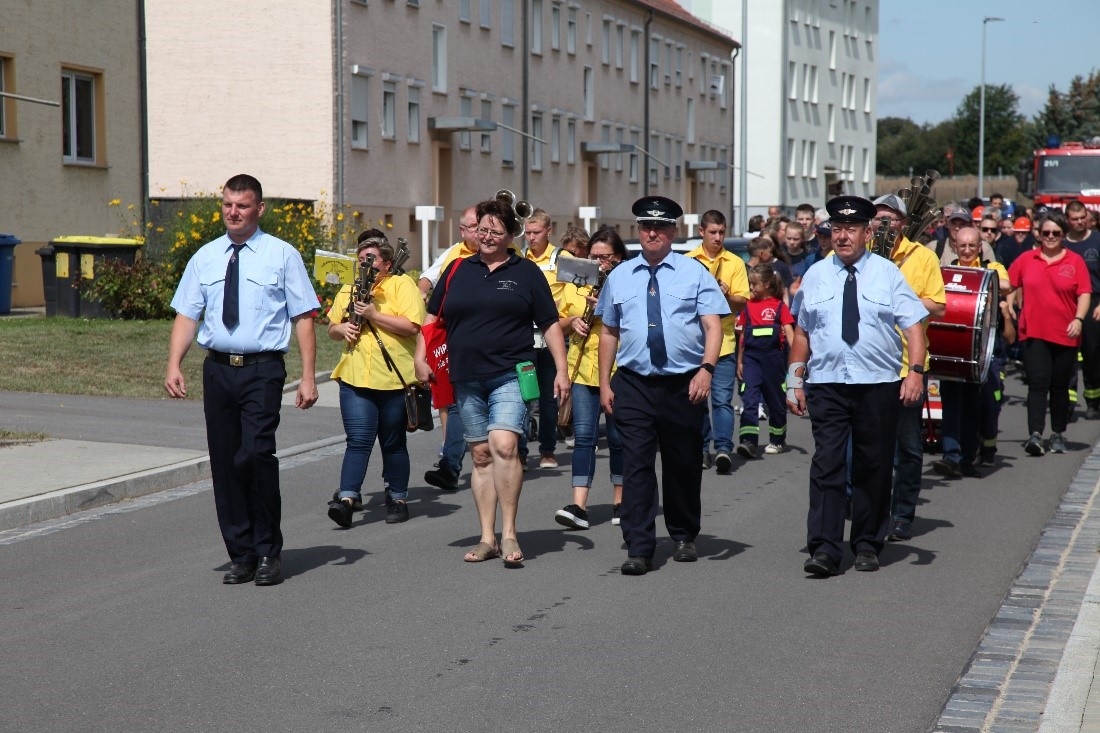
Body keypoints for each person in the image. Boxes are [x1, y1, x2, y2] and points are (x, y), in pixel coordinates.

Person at [165, 174, 319, 587]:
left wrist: (308, 377)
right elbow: (187, 314)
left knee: (255, 455)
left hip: (262, 370)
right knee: (225, 461)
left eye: (243, 205)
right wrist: (173, 363)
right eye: (228, 205)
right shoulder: (206, 257)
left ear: (260, 209)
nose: (233, 212)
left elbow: (303, 316)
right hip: (218, 370)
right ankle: (242, 552)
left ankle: (269, 550)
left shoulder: (282, 255)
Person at [416, 197, 569, 567]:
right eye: (482, 229)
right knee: (481, 455)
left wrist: (562, 371)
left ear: (510, 235)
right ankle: (487, 537)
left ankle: (510, 532)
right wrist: (420, 357)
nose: (486, 236)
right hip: (465, 376)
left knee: (504, 445)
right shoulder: (457, 270)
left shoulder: (526, 272)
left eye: (495, 231)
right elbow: (433, 318)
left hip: (512, 373)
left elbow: (549, 323)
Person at [787, 195, 928, 577]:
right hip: (828, 384)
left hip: (877, 385)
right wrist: (793, 379)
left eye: (851, 229)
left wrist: (915, 372)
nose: (843, 236)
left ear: (867, 232)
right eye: (837, 229)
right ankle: (824, 548)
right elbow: (802, 332)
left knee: (873, 466)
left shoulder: (886, 273)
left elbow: (914, 326)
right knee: (827, 464)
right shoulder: (815, 274)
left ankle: (867, 543)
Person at [597, 195, 727, 576]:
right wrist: (605, 383)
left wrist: (706, 369)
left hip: (683, 383)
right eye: (645, 227)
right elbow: (608, 331)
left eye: (660, 227)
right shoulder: (619, 276)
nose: (652, 233)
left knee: (682, 462)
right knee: (636, 464)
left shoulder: (694, 273)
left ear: (673, 231)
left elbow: (713, 326)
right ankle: (639, 545)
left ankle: (684, 534)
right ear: (639, 231)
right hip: (634, 383)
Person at [325, 232, 425, 528]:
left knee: (393, 442)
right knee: (358, 440)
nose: (365, 265)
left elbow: (412, 326)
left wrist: (373, 314)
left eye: (371, 260)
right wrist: (342, 330)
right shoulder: (350, 288)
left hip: (394, 379)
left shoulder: (400, 285)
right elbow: (332, 327)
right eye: (361, 260)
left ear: (387, 263)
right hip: (356, 376)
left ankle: (397, 498)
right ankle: (346, 499)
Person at [871, 194, 946, 542]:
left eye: (891, 218)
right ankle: (866, 507)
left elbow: (938, 305)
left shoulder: (923, 256)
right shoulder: (858, 252)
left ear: (903, 222)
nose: (883, 224)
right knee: (866, 444)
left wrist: (898, 299)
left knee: (908, 447)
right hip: (867, 366)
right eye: (878, 218)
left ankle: (902, 514)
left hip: (907, 365)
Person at [554, 228, 626, 530]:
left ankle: (622, 501)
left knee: (619, 439)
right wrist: (572, 322)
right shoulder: (576, 283)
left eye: (605, 257)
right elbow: (555, 324)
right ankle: (579, 506)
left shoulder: (629, 281)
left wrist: (607, 308)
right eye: (593, 257)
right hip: (582, 367)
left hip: (619, 369)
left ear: (618, 257)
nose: (599, 263)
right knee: (584, 437)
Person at [1009, 212, 1091, 455]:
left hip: (1066, 333)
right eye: (1046, 233)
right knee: (1037, 384)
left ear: (1064, 235)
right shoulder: (1026, 259)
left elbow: (1084, 293)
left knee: (1059, 387)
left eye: (1056, 233)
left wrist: (1078, 318)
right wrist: (1007, 305)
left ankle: (1057, 434)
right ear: (1039, 234)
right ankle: (1035, 435)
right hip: (1033, 333)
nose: (1051, 237)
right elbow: (1009, 283)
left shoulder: (1075, 262)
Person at [932, 225, 1010, 479]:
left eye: (971, 246)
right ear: (955, 246)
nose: (966, 250)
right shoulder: (944, 271)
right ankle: (951, 457)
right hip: (953, 345)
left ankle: (968, 457)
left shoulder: (991, 268)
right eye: (961, 245)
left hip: (981, 349)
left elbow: (1006, 285)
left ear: (980, 247)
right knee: (951, 403)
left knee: (975, 405)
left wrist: (985, 279)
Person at [417, 206, 479, 491]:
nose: (481, 233)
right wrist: (422, 354)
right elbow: (429, 295)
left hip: (498, 350)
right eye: (475, 227)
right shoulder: (454, 259)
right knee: (453, 403)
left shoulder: (510, 259)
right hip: (457, 343)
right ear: (463, 231)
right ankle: (450, 464)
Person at [687, 210, 749, 473]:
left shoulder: (734, 262)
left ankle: (723, 449)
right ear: (701, 232)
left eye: (722, 232)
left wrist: (725, 292)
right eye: (712, 232)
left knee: (723, 400)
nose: (718, 237)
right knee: (697, 401)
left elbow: (743, 301)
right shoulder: (688, 261)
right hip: (694, 345)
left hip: (723, 343)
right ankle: (702, 449)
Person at [521, 207, 570, 469]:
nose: (531, 237)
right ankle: (519, 452)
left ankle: (548, 450)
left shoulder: (563, 258)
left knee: (550, 398)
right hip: (524, 337)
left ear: (548, 231)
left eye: (536, 232)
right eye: (527, 232)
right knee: (524, 395)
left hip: (552, 334)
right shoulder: (518, 258)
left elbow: (576, 292)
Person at [735, 264, 794, 458]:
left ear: (767, 284)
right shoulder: (748, 307)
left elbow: (791, 334)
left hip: (774, 360)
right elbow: (743, 336)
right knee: (750, 399)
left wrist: (797, 360)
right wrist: (740, 362)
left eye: (754, 284)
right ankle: (749, 441)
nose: (751, 288)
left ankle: (778, 440)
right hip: (752, 359)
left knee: (776, 401)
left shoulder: (779, 306)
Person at [1063, 200, 1100, 419]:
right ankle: (1066, 402)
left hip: (1094, 302)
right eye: (1074, 219)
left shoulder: (1097, 240)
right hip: (1067, 302)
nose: (1079, 222)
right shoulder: (1062, 243)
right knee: (1066, 355)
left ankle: (1094, 400)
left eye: (1082, 218)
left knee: (1092, 354)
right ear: (1068, 220)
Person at [930, 207, 998, 265]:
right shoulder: (934, 248)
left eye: (962, 224)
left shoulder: (983, 248)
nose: (957, 228)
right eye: (954, 224)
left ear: (971, 225)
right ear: (948, 225)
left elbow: (993, 275)